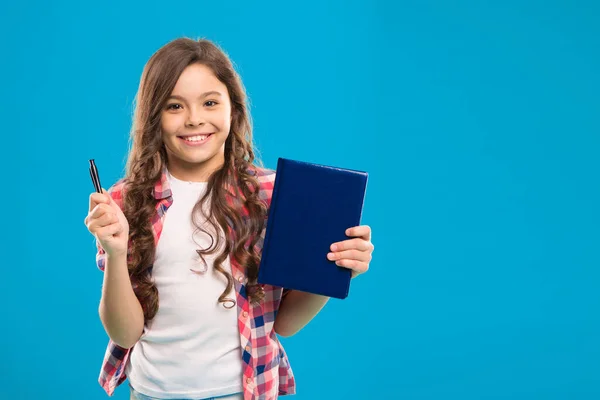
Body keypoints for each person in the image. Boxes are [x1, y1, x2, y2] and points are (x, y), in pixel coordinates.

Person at [84, 37, 375, 400]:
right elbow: (125, 334)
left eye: (209, 102)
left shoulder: (272, 195)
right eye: (175, 106)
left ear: (233, 110)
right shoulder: (124, 200)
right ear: (154, 117)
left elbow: (286, 323)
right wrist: (114, 252)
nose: (194, 119)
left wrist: (335, 268)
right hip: (151, 393)